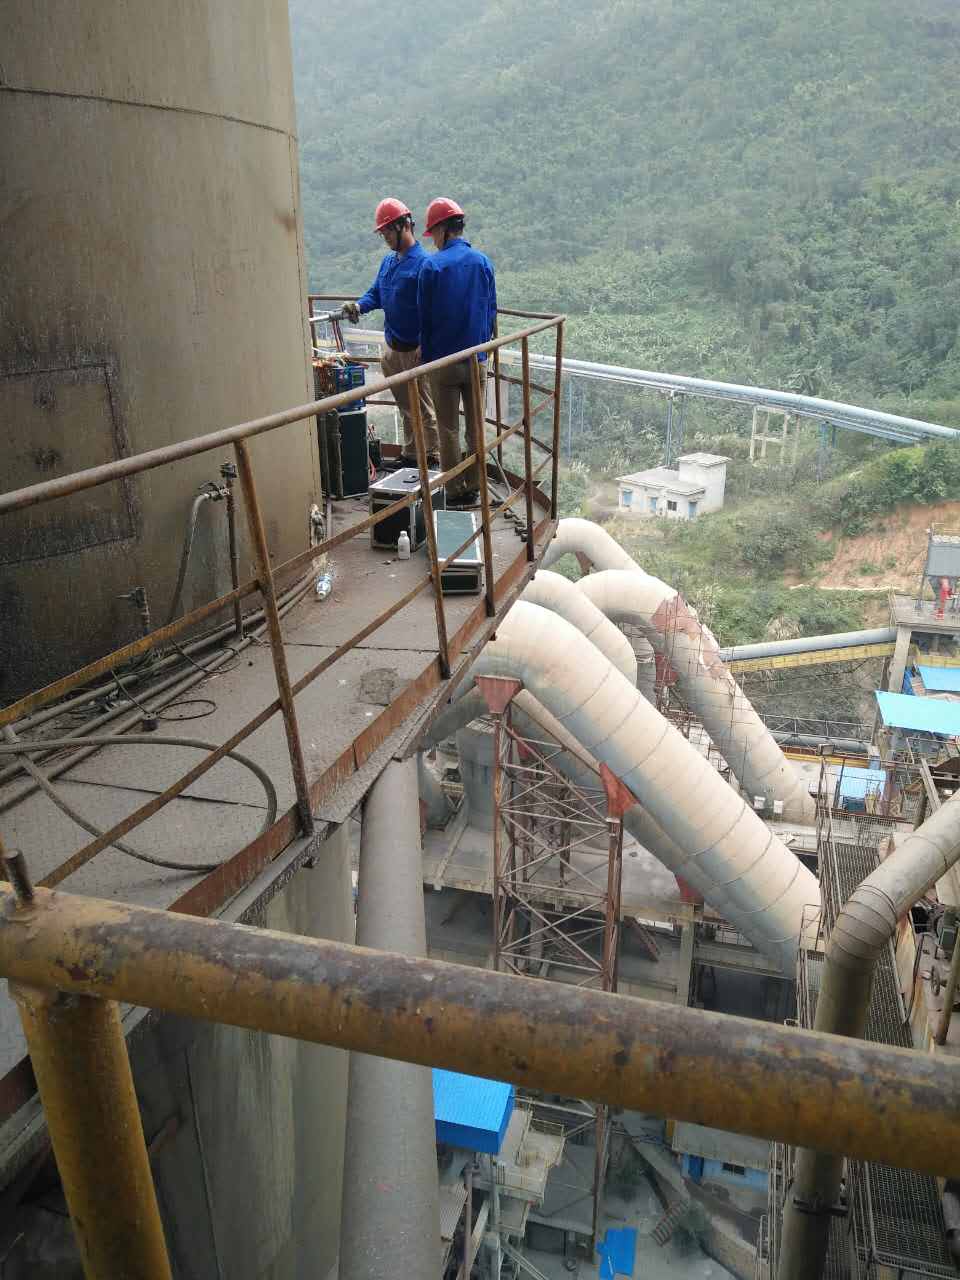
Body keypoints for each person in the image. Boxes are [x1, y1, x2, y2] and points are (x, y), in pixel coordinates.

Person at [343, 198, 440, 469]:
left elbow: (433, 309)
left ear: (403, 226)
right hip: (393, 348)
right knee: (406, 405)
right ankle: (411, 455)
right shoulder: (388, 262)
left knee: (423, 407)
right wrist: (358, 306)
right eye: (382, 232)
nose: (384, 237)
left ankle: (431, 458)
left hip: (415, 350)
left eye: (387, 231)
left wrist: (426, 345)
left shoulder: (423, 264)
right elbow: (376, 293)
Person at [417, 197, 497, 508]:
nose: (433, 240)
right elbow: (491, 310)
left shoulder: (432, 266)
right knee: (476, 427)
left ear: (443, 229)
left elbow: (424, 319)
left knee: (448, 428)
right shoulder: (482, 262)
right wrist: (485, 347)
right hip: (476, 358)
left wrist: (426, 358)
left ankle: (453, 490)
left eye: (434, 234)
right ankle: (476, 485)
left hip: (444, 363)